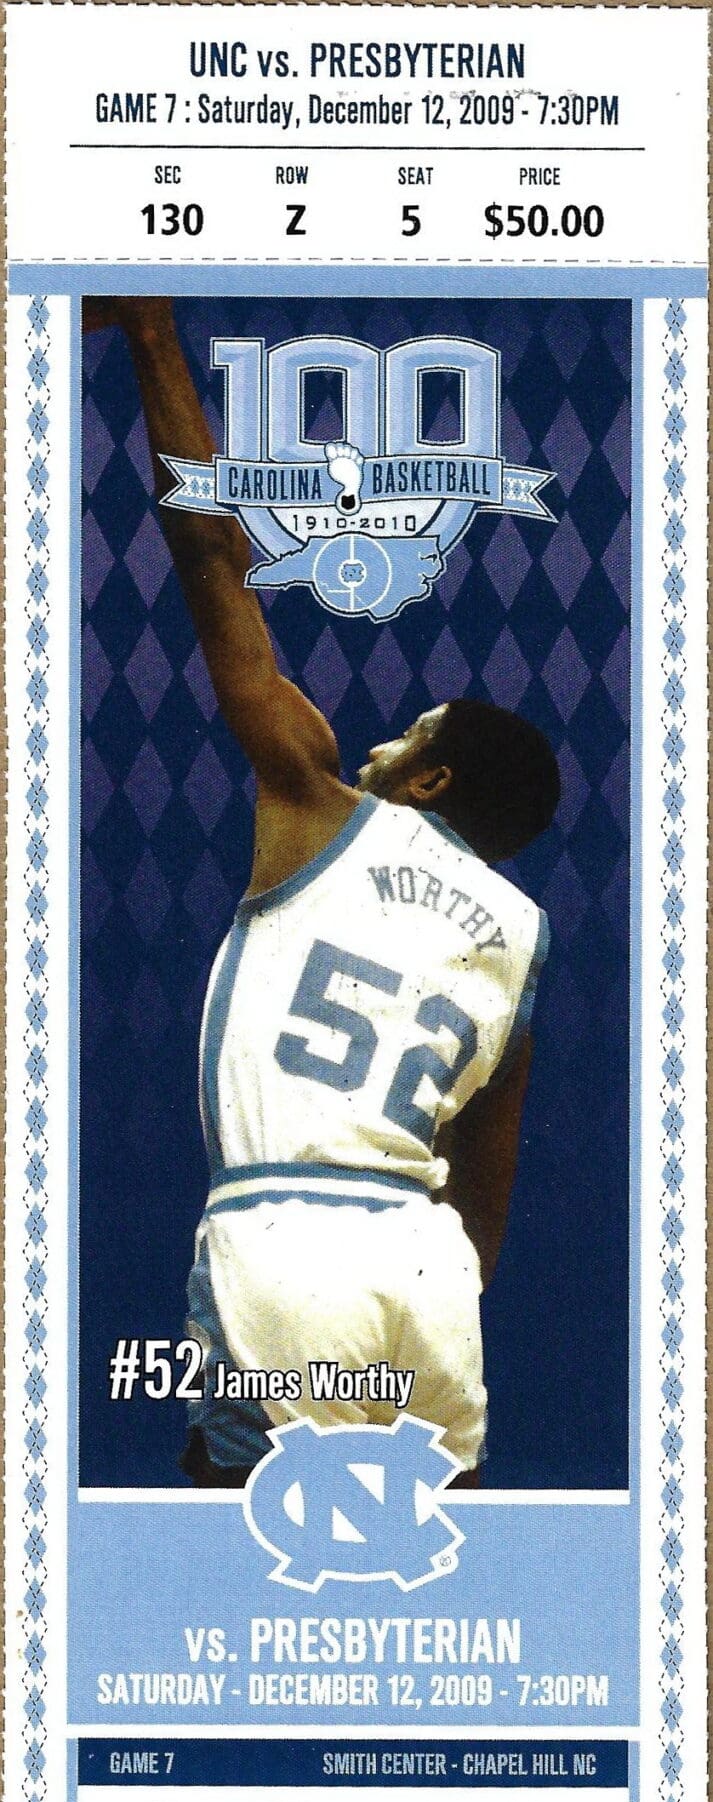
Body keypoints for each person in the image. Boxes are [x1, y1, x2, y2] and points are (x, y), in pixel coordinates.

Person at [85, 298, 560, 1488]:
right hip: (426, 1270)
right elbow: (484, 1183)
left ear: (427, 778)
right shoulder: (521, 936)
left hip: (286, 1237)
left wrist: (149, 338)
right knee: (424, 1563)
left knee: (244, 1537)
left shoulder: (318, 807)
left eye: (406, 734)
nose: (377, 744)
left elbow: (212, 560)